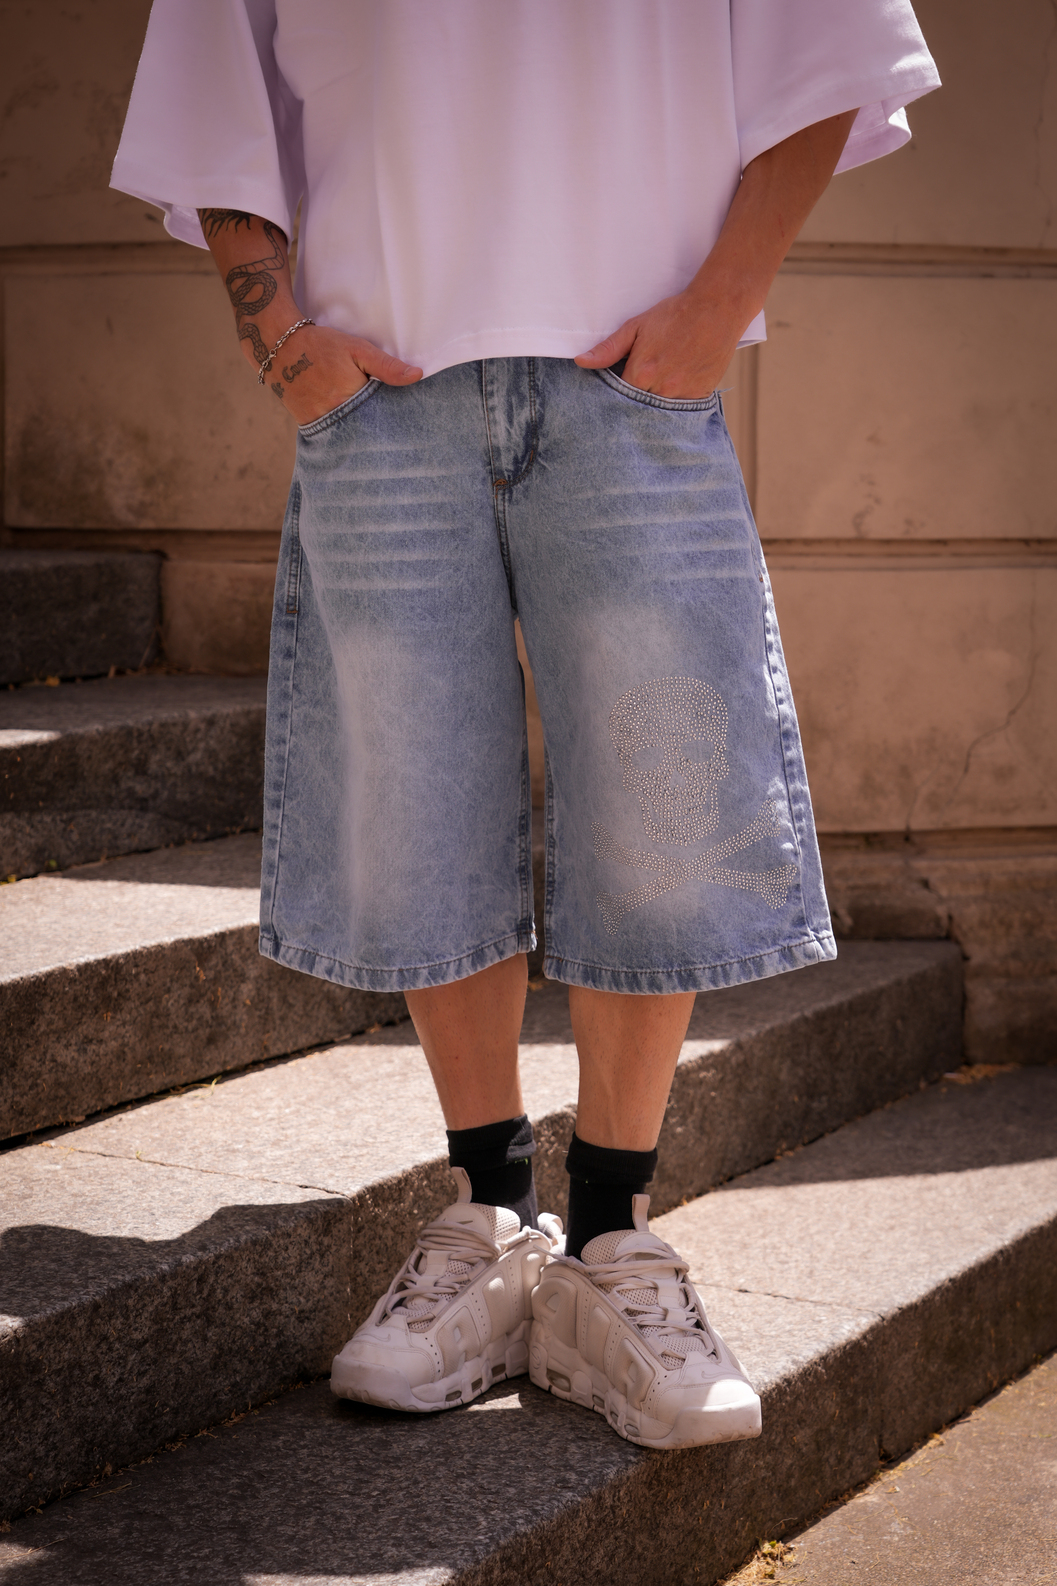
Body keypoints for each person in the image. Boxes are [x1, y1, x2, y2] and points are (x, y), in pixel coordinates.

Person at [113, 0, 938, 1451]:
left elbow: (832, 43)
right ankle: (491, 1217)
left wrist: (718, 307)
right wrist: (277, 330)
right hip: (379, 388)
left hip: (634, 374)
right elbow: (210, 68)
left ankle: (612, 1239)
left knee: (664, 804)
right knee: (414, 794)